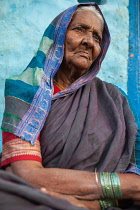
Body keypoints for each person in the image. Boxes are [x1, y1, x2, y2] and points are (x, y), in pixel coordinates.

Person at [0, 2, 140, 210]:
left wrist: (93, 203)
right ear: (58, 36)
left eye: (97, 37)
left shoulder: (114, 99)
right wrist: (120, 186)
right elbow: (27, 175)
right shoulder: (25, 90)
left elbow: (134, 179)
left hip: (101, 203)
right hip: (39, 196)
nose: (89, 42)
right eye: (79, 30)